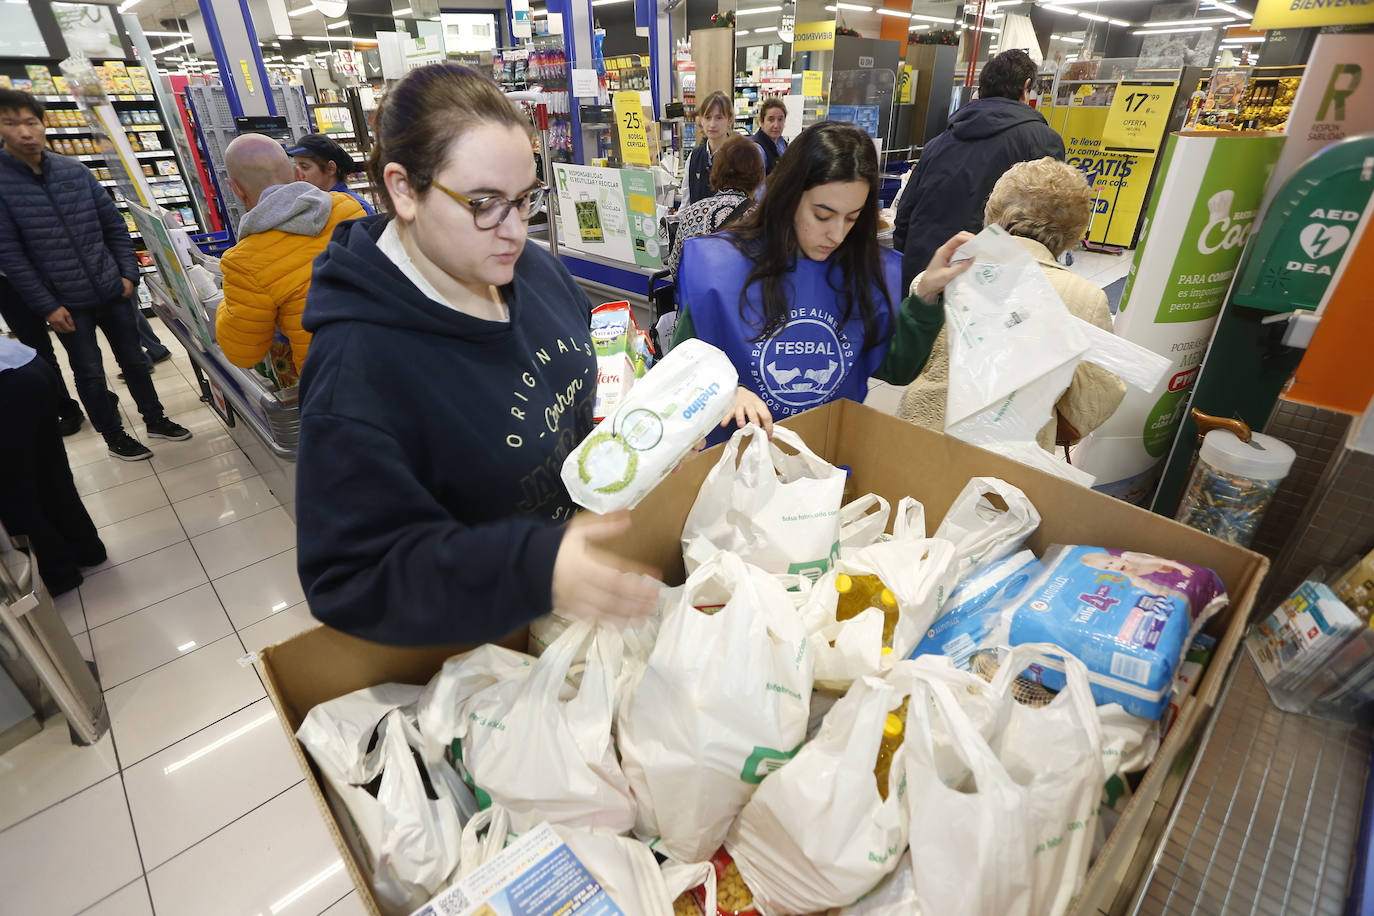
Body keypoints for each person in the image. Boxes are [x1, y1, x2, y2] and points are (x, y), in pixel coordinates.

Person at [294, 63, 668, 646]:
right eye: (484, 203)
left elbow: (589, 389)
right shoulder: (359, 364)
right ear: (403, 189)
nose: (515, 230)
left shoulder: (534, 271)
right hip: (481, 646)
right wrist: (530, 568)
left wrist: (667, 413)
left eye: (524, 200)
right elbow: (353, 577)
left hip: (585, 605)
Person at [674, 121, 973, 440]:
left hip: (824, 463)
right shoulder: (721, 268)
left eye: (852, 217)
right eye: (822, 215)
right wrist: (725, 391)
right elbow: (679, 370)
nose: (837, 233)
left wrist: (926, 294)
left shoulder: (863, 270)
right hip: (737, 464)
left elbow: (895, 369)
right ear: (788, 196)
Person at [0, 88, 191, 461]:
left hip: (111, 288)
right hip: (66, 302)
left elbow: (115, 228)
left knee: (135, 360)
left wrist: (128, 275)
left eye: (31, 122)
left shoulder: (75, 171)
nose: (25, 132)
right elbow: (11, 256)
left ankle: (155, 418)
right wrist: (47, 306)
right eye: (11, 123)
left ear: (43, 125)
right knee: (88, 372)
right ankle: (115, 436)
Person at [898, 157, 1125, 451]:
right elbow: (1096, 399)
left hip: (919, 432)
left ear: (993, 211)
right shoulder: (1084, 298)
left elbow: (909, 359)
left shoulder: (946, 269)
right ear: (1075, 230)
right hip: (1012, 454)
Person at [894, 49, 1064, 293]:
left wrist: (912, 272)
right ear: (1026, 86)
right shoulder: (1043, 143)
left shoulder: (939, 142)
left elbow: (905, 216)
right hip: (987, 284)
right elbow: (1046, 230)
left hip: (926, 273)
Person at [217, 133, 365, 374]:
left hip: (335, 383)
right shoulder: (349, 207)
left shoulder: (244, 262)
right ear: (297, 175)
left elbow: (243, 353)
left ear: (237, 190)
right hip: (390, 359)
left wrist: (228, 302)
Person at [0, 336, 106, 596]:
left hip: (6, 387)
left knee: (13, 492)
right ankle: (87, 550)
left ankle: (58, 573)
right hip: (27, 363)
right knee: (51, 473)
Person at [665, 135, 763, 277]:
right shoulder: (762, 217)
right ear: (758, 175)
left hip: (698, 298)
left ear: (716, 170)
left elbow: (674, 268)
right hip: (743, 298)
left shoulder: (693, 213)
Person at [0, 271, 85, 435]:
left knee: (81, 346)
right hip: (7, 285)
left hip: (47, 272)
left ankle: (102, 400)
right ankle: (67, 410)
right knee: (38, 355)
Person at [287, 132, 377, 216]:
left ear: (330, 168)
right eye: (296, 166)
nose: (298, 174)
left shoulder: (355, 209)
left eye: (305, 167)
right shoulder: (319, 204)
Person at [682, 90, 734, 206]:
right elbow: (686, 204)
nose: (712, 124)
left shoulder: (739, 157)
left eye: (719, 118)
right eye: (707, 117)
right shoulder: (694, 157)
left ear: (730, 120)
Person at [752, 97, 787, 176]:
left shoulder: (782, 143)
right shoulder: (758, 149)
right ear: (761, 121)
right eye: (771, 120)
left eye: (780, 119)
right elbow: (758, 186)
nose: (776, 125)